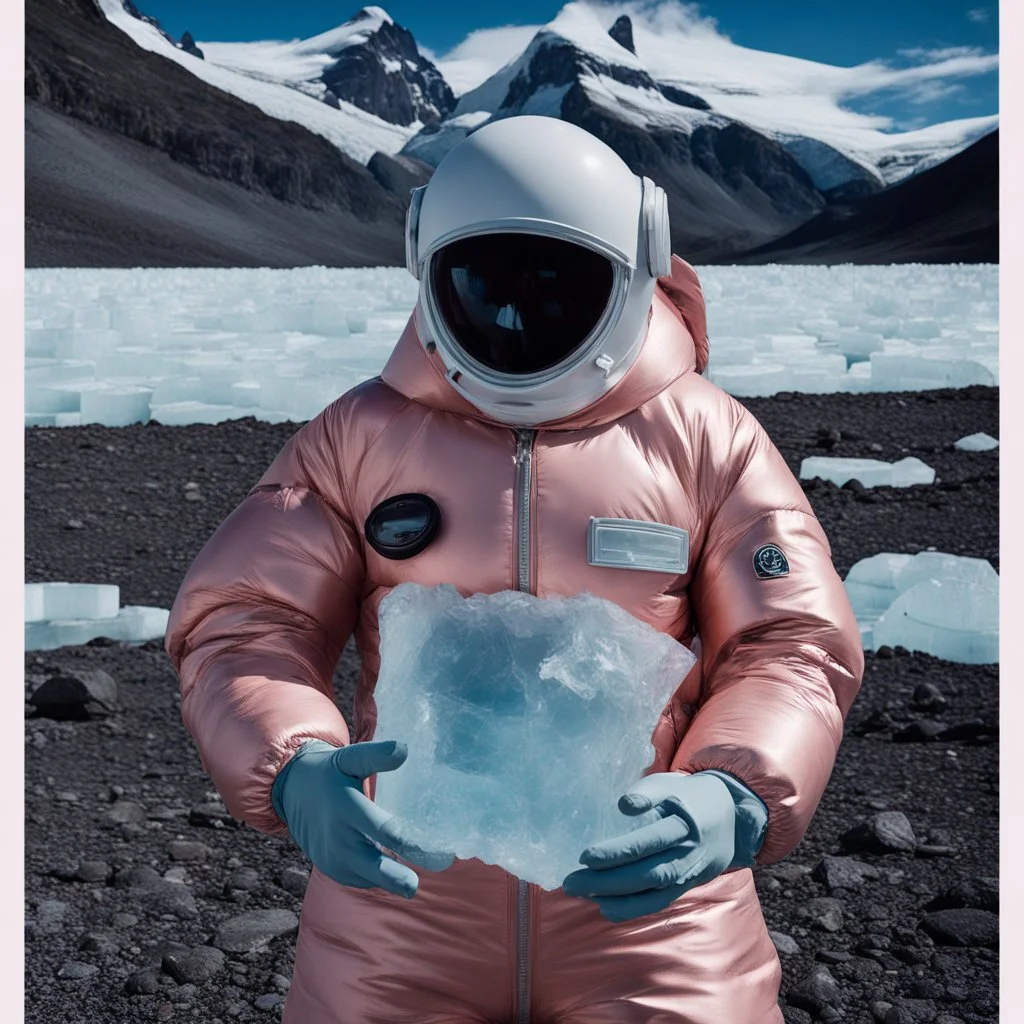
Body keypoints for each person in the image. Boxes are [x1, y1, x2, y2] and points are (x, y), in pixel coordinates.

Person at [165, 115, 864, 1024]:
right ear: (428, 267)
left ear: (636, 263)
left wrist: (734, 790)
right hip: (400, 903)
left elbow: (791, 639)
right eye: (488, 285)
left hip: (653, 907)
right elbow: (246, 619)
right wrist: (293, 763)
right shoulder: (359, 439)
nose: (519, 315)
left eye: (557, 285)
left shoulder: (706, 437)